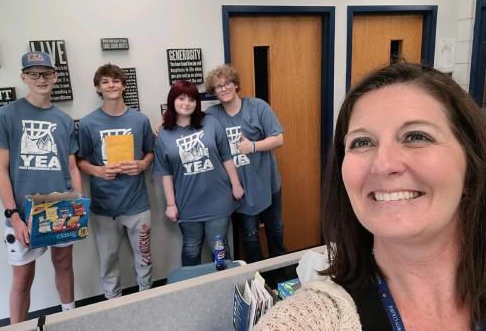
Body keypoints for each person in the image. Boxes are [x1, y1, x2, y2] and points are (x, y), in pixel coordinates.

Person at [255, 63, 486, 330]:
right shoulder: (317, 317)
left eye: (416, 136)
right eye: (362, 142)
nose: (383, 164)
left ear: (471, 166)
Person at [0, 51, 82, 324]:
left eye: (46, 73)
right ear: (23, 77)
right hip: (23, 214)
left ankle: (70, 319)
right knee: (22, 278)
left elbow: (72, 167)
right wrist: (13, 215)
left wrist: (78, 203)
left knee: (64, 265)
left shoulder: (64, 120)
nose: (41, 79)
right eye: (34, 74)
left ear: (55, 76)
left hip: (61, 207)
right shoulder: (6, 115)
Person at [77, 64, 154, 299]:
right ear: (98, 88)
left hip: (137, 204)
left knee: (145, 256)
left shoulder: (140, 120)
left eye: (115, 81)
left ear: (123, 85)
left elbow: (150, 153)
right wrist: (98, 171)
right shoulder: (88, 123)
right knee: (108, 261)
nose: (111, 85)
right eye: (105, 82)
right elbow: (79, 161)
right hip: (103, 208)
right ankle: (112, 304)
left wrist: (142, 164)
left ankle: (148, 299)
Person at [153, 80, 244, 266]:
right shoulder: (163, 134)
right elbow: (165, 173)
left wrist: (236, 185)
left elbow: (227, 157)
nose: (187, 103)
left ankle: (225, 286)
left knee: (218, 246)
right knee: (191, 247)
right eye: (181, 98)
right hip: (187, 202)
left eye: (192, 99)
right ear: (172, 101)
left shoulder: (210, 122)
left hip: (218, 198)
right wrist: (171, 204)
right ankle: (191, 291)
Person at [204, 65, 286, 263]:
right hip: (240, 190)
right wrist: (164, 126)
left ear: (236, 85)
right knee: (250, 236)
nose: (223, 89)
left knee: (275, 231)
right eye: (218, 86)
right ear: (213, 92)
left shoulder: (258, 107)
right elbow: (187, 125)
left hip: (268, 184)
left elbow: (278, 138)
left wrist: (253, 146)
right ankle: (257, 280)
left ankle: (281, 274)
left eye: (227, 83)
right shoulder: (212, 115)